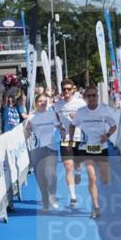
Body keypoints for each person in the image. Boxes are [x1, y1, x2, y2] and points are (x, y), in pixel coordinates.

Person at [69, 86, 118, 219]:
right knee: (92, 177)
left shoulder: (104, 110)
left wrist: (107, 135)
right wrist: (71, 140)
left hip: (101, 148)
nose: (91, 98)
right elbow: (72, 125)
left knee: (105, 178)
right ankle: (96, 207)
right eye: (89, 96)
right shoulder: (80, 112)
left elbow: (114, 126)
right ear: (85, 98)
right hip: (87, 148)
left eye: (93, 95)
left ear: (97, 96)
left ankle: (102, 197)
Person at [53, 78, 86, 207]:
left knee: (78, 164)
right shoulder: (58, 105)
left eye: (68, 89)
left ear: (73, 90)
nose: (66, 91)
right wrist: (60, 128)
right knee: (68, 167)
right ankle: (73, 197)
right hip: (66, 139)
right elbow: (56, 120)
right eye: (64, 89)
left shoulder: (80, 103)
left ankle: (78, 173)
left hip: (79, 138)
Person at [25, 92, 60, 210]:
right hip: (37, 149)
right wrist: (28, 129)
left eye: (45, 101)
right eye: (40, 101)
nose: (43, 103)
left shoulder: (52, 114)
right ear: (36, 103)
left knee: (51, 174)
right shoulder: (31, 117)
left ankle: (52, 196)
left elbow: (58, 126)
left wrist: (64, 130)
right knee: (41, 177)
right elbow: (25, 135)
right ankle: (45, 199)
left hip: (51, 148)